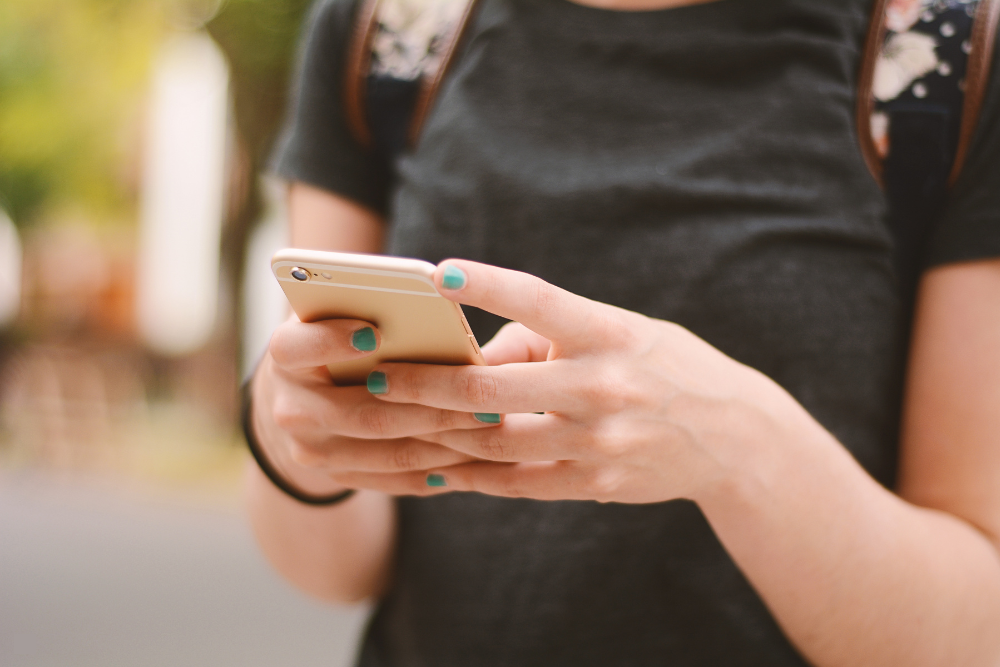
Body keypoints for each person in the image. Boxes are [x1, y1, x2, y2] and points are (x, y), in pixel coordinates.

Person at [245, 0, 1000, 664]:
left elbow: (974, 634)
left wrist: (739, 446)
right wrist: (290, 435)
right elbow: (340, 572)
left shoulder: (949, 60)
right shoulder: (392, 31)